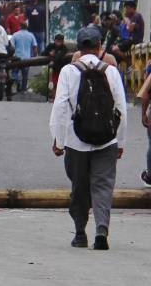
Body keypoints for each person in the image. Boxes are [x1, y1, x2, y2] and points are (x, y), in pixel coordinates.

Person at [50, 25, 126, 250]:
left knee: (80, 187)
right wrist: (120, 141)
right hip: (106, 140)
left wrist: (58, 139)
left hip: (76, 141)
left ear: (79, 49)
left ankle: (80, 232)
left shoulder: (68, 71)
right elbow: (121, 107)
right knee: (103, 186)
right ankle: (101, 230)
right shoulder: (111, 71)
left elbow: (61, 106)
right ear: (99, 46)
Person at [9, 22, 38, 93]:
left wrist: (10, 56)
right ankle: (23, 89)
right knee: (25, 75)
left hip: (16, 58)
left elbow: (11, 46)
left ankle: (15, 85)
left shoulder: (15, 35)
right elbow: (35, 46)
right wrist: (34, 56)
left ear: (20, 26)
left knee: (14, 73)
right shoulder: (31, 35)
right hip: (27, 59)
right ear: (27, 27)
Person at [44, 33, 71, 99]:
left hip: (62, 68)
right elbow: (44, 52)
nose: (58, 43)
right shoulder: (51, 46)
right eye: (57, 41)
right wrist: (49, 53)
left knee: (61, 84)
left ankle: (59, 97)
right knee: (53, 84)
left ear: (62, 42)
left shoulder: (64, 48)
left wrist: (53, 57)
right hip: (54, 69)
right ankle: (54, 97)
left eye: (60, 41)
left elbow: (59, 56)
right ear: (55, 40)